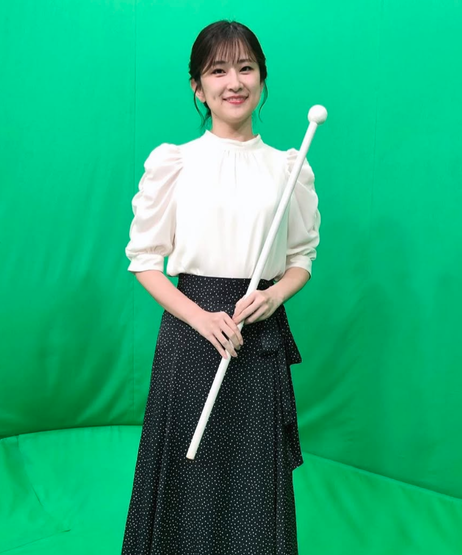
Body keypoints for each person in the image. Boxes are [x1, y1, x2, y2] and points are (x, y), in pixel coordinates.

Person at [120, 19, 321, 555]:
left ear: (262, 79)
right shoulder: (175, 162)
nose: (234, 82)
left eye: (246, 68)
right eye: (218, 71)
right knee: (186, 479)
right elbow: (144, 261)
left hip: (258, 336)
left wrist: (275, 295)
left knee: (252, 485)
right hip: (191, 335)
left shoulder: (288, 167)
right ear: (198, 87)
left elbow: (301, 259)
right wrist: (200, 317)